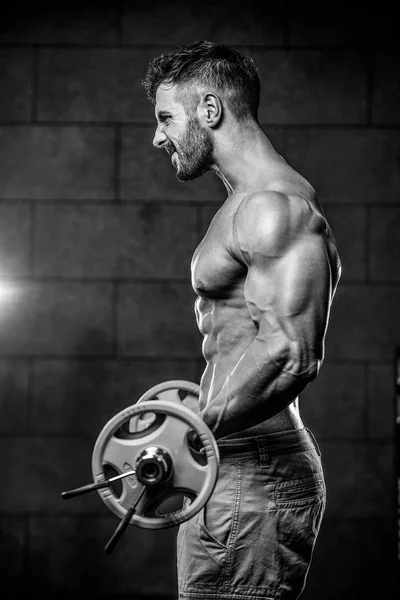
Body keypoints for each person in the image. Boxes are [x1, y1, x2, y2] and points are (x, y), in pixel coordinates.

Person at [142, 41, 341, 600]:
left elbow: (290, 353)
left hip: (256, 475)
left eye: (165, 117)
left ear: (210, 110)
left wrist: (192, 434)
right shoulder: (244, 203)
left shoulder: (273, 206)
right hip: (229, 467)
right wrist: (196, 427)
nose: (158, 137)